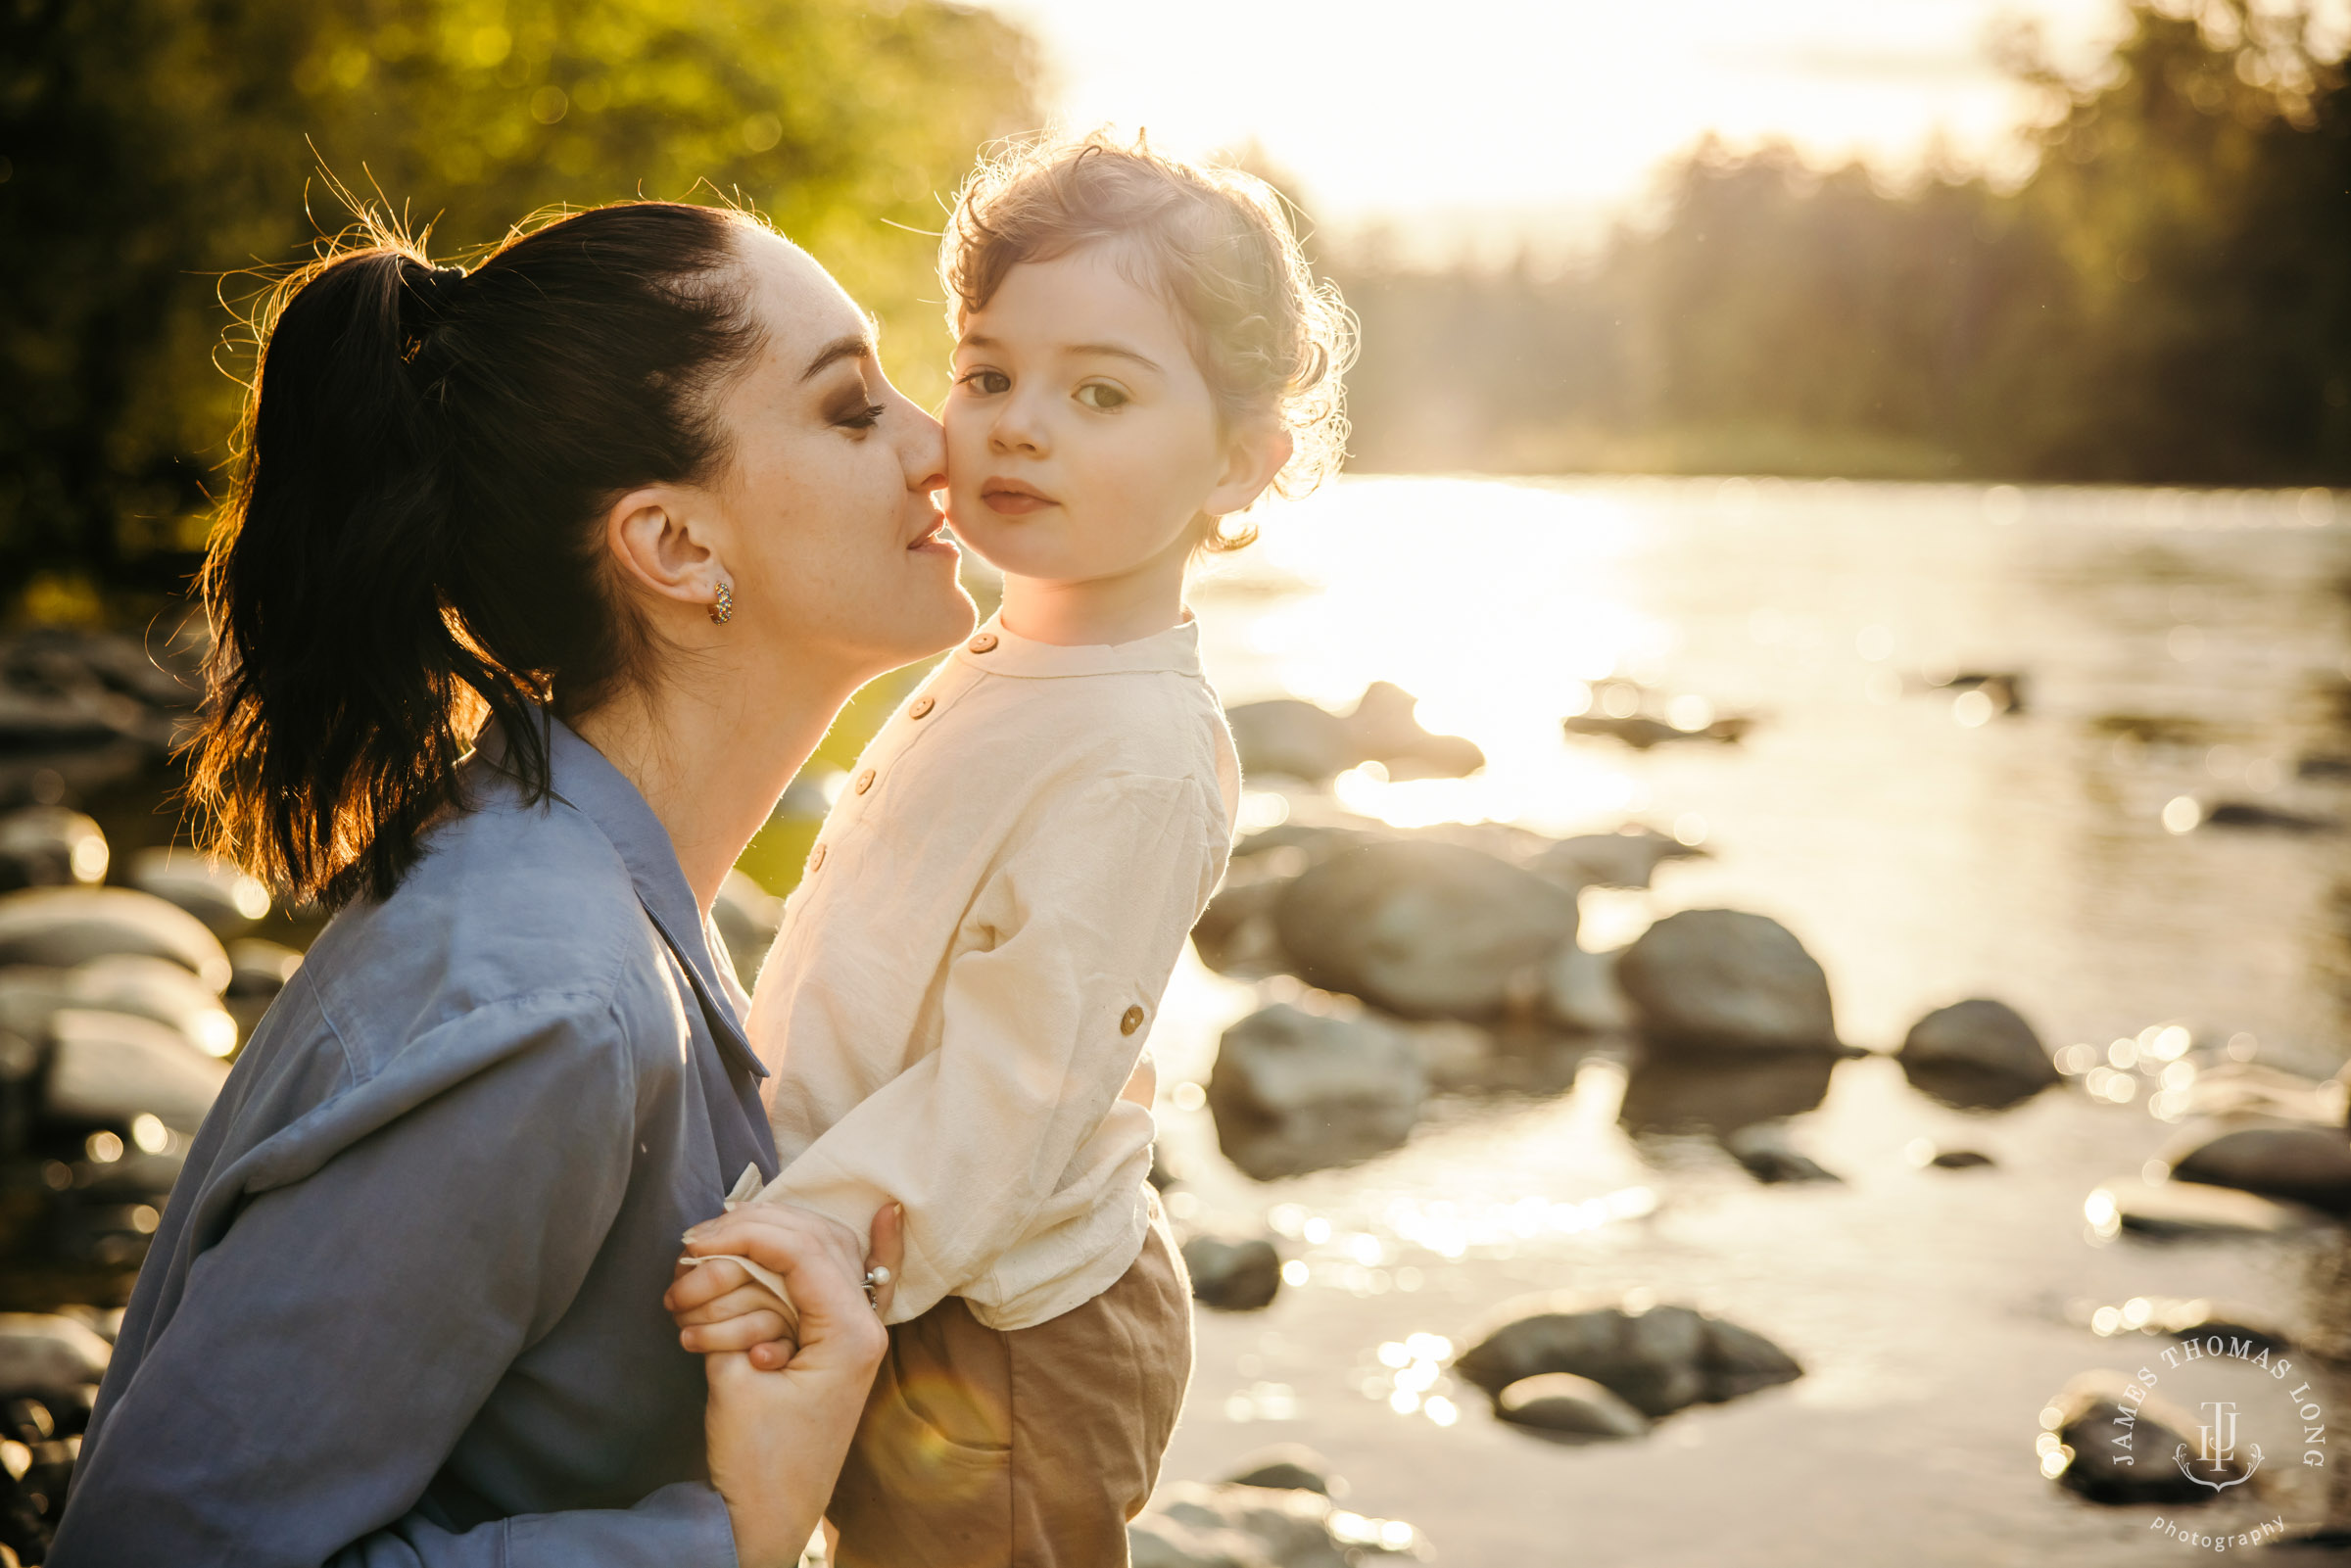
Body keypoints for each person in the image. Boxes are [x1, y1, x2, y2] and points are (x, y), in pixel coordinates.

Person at [47, 198, 976, 1567]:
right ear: (674, 548)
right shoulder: (547, 1005)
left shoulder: (597, 898)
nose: (939, 445)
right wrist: (734, 1532)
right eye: (851, 409)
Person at [665, 133, 1353, 1566]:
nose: (1018, 424)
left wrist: (793, 1235)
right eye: (988, 374)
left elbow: (1011, 1085)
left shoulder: (1138, 754)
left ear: (1241, 461)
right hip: (890, 1255)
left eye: (1099, 391)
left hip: (1004, 1339)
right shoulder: (1001, 654)